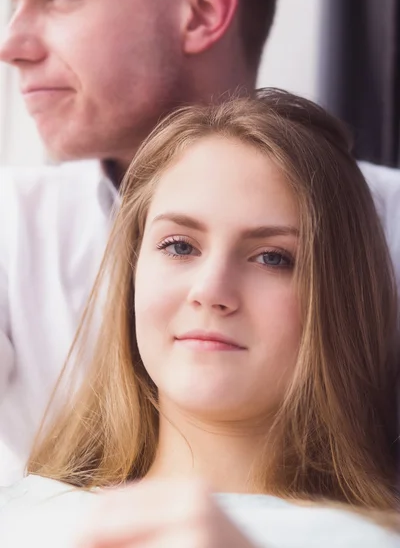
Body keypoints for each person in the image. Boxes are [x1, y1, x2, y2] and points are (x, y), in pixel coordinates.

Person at [0, 0, 399, 488]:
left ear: (203, 12)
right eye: (178, 246)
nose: (11, 47)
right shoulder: (13, 223)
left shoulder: (388, 224)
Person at [1, 90, 399, 547]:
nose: (210, 291)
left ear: (339, 296)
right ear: (133, 272)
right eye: (179, 246)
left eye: (272, 257)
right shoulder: (16, 519)